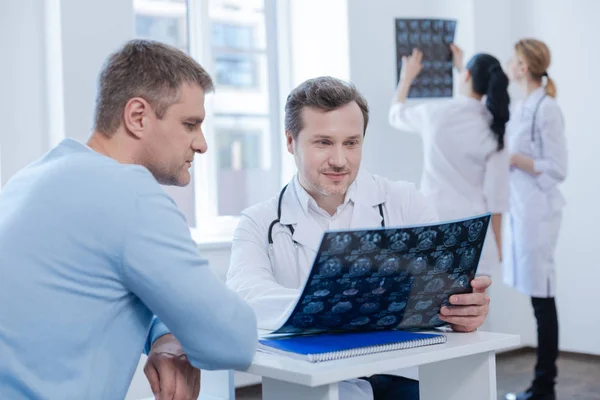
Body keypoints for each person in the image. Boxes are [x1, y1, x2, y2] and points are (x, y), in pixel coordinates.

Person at [0, 40, 258, 400]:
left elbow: (105, 284)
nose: (201, 144)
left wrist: (165, 336)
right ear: (138, 116)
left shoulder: (34, 177)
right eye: (190, 124)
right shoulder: (131, 195)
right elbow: (234, 340)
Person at [226, 76, 492, 400]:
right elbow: (245, 298)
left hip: (404, 368)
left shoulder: (404, 201)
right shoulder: (258, 222)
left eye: (351, 143)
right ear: (290, 142)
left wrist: (462, 310)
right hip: (321, 380)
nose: (339, 160)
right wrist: (338, 303)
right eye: (323, 142)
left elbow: (438, 288)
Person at [388, 44, 510, 278]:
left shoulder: (436, 114)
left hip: (434, 227)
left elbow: (396, 114)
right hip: (474, 236)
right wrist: (499, 248)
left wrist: (407, 77)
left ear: (467, 76)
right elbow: (497, 200)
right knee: (471, 312)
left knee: (433, 308)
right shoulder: (496, 129)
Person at [503, 39, 567, 400]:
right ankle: (542, 384)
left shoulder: (547, 108)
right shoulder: (523, 104)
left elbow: (558, 168)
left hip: (540, 212)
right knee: (535, 297)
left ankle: (545, 386)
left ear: (523, 67)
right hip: (522, 209)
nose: (509, 65)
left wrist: (516, 160)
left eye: (513, 60)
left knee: (543, 297)